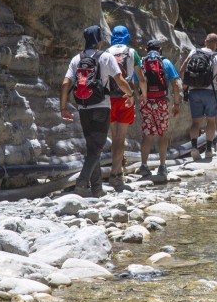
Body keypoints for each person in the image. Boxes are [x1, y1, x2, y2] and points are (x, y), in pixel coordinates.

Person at [60, 25, 135, 198]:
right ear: (99, 42)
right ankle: (81, 182)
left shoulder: (76, 59)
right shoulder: (106, 57)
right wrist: (130, 94)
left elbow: (65, 83)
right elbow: (120, 80)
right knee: (97, 149)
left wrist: (63, 107)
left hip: (83, 107)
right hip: (102, 105)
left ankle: (97, 189)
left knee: (92, 148)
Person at [105, 26, 148, 192]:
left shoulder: (106, 52)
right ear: (127, 36)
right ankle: (115, 175)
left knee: (113, 136)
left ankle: (116, 170)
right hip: (126, 97)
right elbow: (141, 77)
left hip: (108, 98)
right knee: (120, 138)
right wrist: (143, 95)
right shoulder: (132, 52)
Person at [180, 33, 217, 161]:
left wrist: (184, 86)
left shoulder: (193, 52)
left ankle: (194, 148)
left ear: (205, 41)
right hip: (210, 92)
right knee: (211, 121)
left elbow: (182, 70)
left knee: (195, 122)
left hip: (194, 92)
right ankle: (208, 149)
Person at [138, 39, 181, 183]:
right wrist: (176, 103)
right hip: (162, 101)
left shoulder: (142, 63)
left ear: (146, 49)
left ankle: (144, 165)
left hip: (146, 102)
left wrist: (139, 97)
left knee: (147, 134)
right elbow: (175, 84)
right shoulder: (166, 62)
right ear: (160, 49)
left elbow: (136, 81)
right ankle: (162, 166)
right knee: (162, 134)